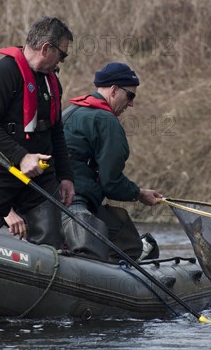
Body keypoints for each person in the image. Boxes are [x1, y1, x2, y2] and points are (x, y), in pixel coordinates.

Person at [0, 17, 75, 247]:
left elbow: (56, 132)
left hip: (39, 182)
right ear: (46, 48)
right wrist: (21, 157)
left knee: (51, 245)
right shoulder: (2, 73)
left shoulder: (52, 82)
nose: (62, 61)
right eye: (62, 55)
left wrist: (65, 176)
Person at [62, 62, 162, 261]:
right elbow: (111, 182)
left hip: (47, 202)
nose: (131, 103)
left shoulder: (69, 111)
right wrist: (138, 193)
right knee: (131, 244)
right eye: (130, 96)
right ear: (114, 90)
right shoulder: (107, 121)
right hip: (76, 204)